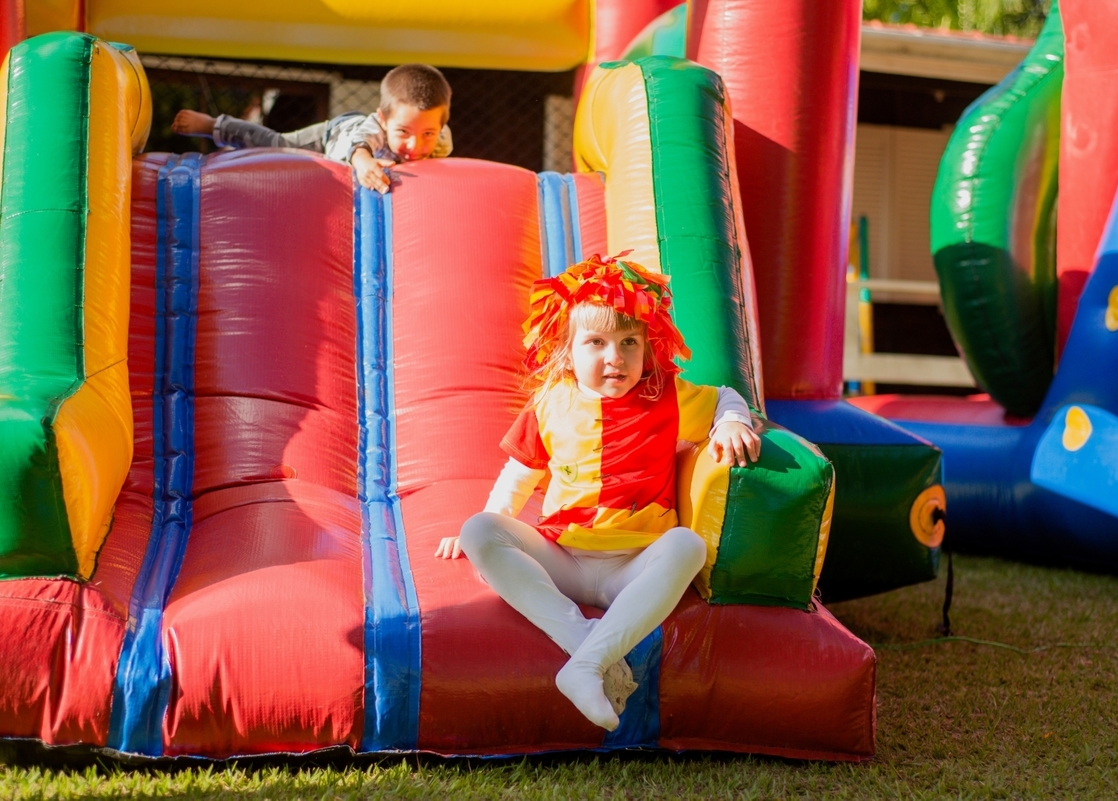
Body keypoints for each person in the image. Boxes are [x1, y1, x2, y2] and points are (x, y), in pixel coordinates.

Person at [436, 253, 761, 731]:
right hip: (564, 559)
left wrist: (732, 420)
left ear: (649, 346)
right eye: (597, 342)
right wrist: (488, 526)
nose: (616, 357)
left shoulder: (664, 395)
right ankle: (587, 648)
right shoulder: (551, 403)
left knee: (688, 546)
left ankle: (585, 665)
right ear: (568, 351)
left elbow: (725, 396)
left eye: (630, 342)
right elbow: (518, 474)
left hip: (632, 566)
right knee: (480, 529)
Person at [171, 64, 452, 193]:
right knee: (278, 145)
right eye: (403, 132)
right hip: (335, 136)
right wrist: (363, 161)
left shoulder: (441, 141)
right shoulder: (373, 127)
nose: (415, 146)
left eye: (427, 133)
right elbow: (360, 142)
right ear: (384, 119)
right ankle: (213, 125)